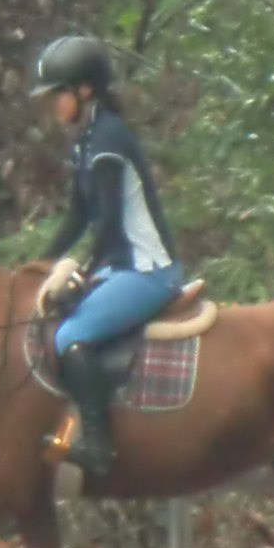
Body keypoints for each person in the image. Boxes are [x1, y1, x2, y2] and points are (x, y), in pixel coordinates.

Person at [30, 34, 185, 476]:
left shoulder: (108, 139)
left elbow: (110, 224)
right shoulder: (86, 141)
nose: (53, 104)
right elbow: (78, 216)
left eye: (59, 93)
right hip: (122, 267)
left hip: (149, 270)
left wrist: (80, 272)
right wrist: (39, 264)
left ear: (85, 90)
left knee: (68, 337)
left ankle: (98, 446)